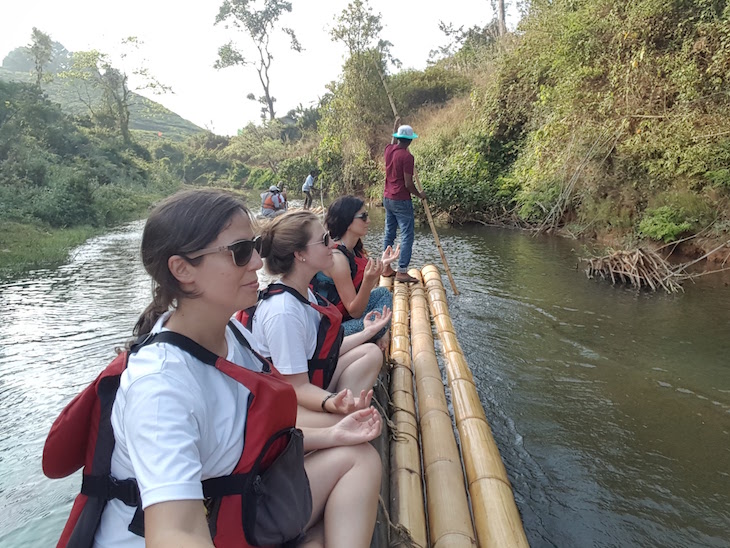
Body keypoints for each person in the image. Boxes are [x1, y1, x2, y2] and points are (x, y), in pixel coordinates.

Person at [43, 189, 382, 548]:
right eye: (238, 252)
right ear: (182, 269)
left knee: (357, 455)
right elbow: (177, 531)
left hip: (233, 502)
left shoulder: (230, 334)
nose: (256, 262)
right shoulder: (161, 389)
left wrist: (334, 434)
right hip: (203, 523)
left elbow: (250, 432)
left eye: (252, 246)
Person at [250, 210, 390, 417]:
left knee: (370, 352)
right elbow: (295, 388)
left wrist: (367, 332)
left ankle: (342, 413)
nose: (333, 246)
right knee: (362, 431)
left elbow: (323, 351)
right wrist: (332, 402)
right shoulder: (284, 312)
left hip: (308, 382)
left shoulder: (305, 294)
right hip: (289, 405)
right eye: (324, 240)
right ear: (300, 254)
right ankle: (340, 415)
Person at [312, 195, 398, 348]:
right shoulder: (338, 258)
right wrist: (367, 281)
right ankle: (380, 331)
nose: (369, 221)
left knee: (384, 294)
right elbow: (355, 312)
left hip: (344, 319)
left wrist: (382, 264)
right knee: (381, 320)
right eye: (363, 217)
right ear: (348, 221)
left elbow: (360, 290)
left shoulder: (353, 250)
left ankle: (380, 330)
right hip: (331, 331)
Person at [382, 119, 426, 284]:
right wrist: (420, 195)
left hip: (387, 198)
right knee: (407, 235)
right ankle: (401, 271)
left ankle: (386, 268)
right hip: (401, 200)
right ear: (410, 140)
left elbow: (391, 142)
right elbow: (408, 184)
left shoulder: (389, 150)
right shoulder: (407, 156)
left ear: (398, 138)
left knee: (389, 233)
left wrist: (394, 127)